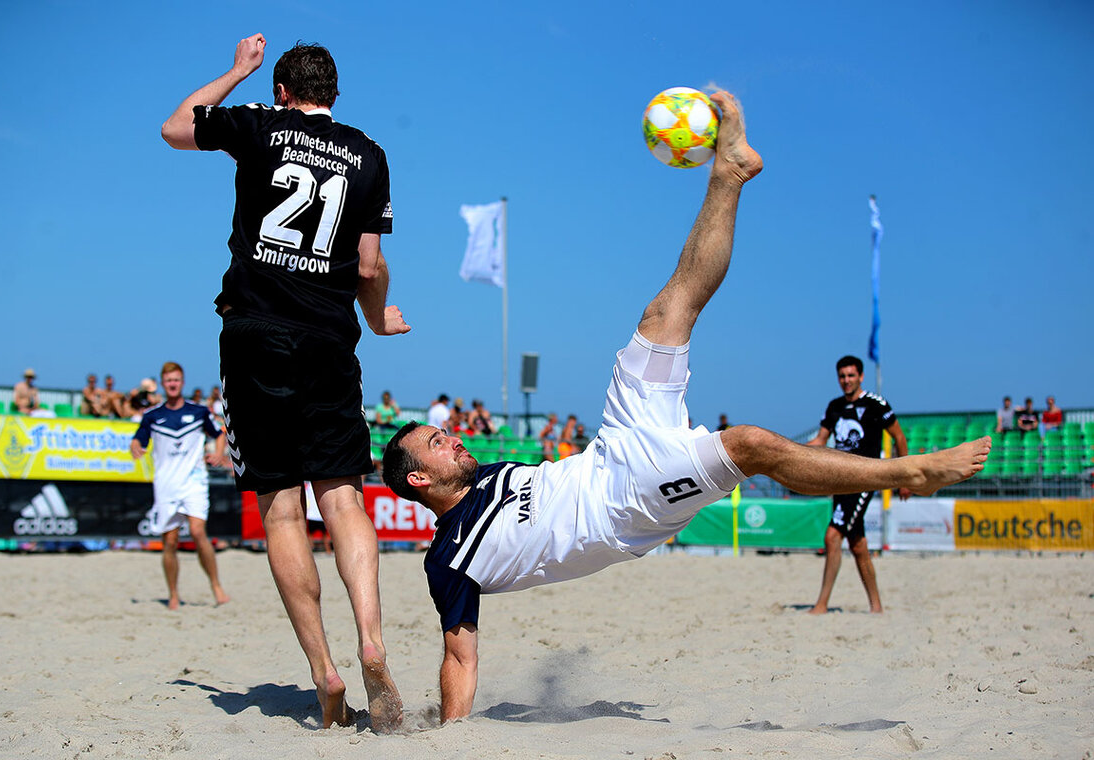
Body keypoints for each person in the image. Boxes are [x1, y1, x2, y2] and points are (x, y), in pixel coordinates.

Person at [380, 92, 990, 721]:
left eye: (442, 432)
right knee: (748, 444)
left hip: (614, 445)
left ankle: (728, 175)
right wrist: (449, 735)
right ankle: (911, 473)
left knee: (667, 310)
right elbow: (459, 657)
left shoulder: (485, 474)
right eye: (434, 442)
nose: (450, 437)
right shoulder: (449, 558)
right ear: (419, 478)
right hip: (628, 504)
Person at [161, 33, 405, 730]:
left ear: (282, 92)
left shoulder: (261, 127)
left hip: (256, 333)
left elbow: (177, 127)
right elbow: (368, 266)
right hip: (330, 338)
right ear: (334, 94)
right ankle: (372, 639)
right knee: (345, 498)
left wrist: (234, 72)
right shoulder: (369, 155)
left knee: (280, 507)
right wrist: (379, 321)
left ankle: (324, 669)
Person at [805, 355, 910, 615]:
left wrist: (904, 477)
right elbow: (821, 440)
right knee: (858, 546)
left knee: (832, 537)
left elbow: (899, 437)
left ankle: (821, 604)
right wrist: (784, 452)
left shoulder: (876, 404)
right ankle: (876, 606)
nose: (846, 380)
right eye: (842, 376)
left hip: (864, 479)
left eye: (851, 375)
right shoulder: (834, 406)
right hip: (840, 481)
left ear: (861, 376)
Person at [131, 362, 230, 610]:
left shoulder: (198, 411)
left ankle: (216, 586)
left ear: (182, 382)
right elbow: (138, 440)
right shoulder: (152, 416)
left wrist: (219, 454)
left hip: (194, 481)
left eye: (176, 380)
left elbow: (219, 433)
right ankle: (173, 594)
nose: (173, 384)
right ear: (163, 384)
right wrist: (135, 447)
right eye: (168, 380)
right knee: (171, 541)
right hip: (166, 484)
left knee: (198, 532)